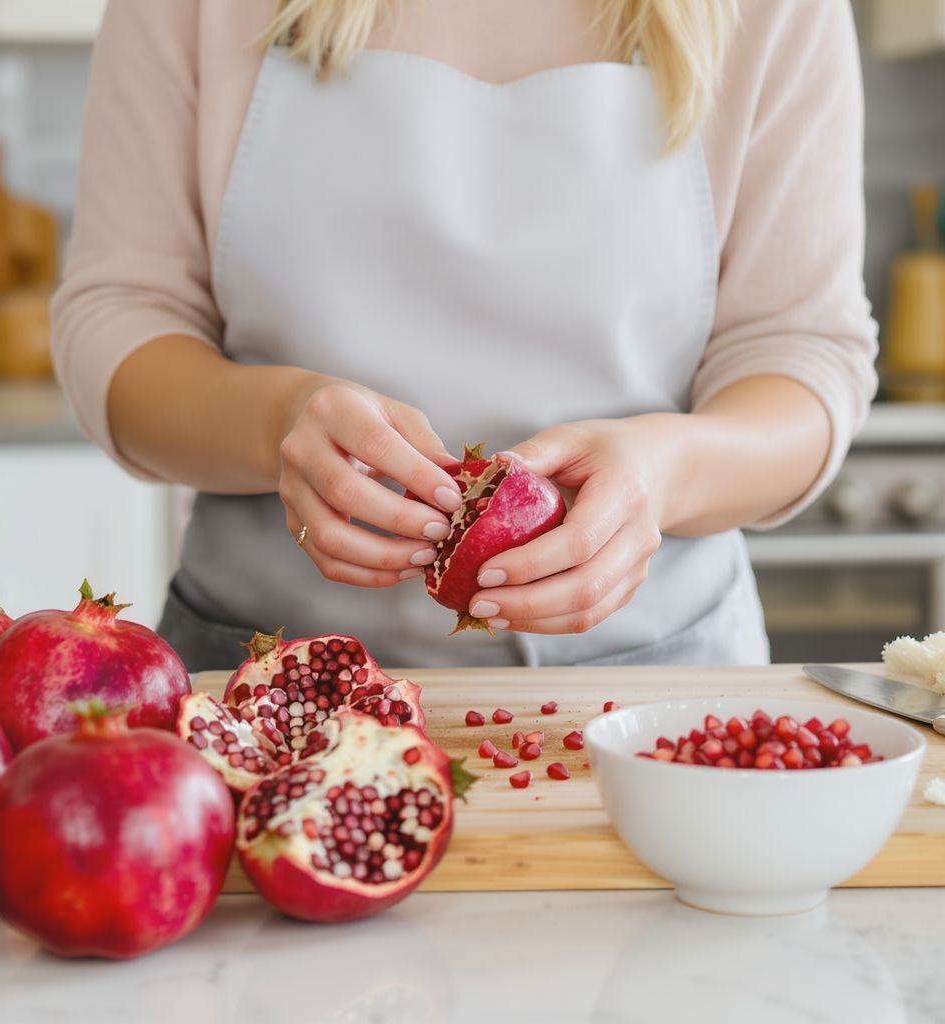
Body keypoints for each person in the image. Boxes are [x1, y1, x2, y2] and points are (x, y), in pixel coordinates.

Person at [52, 0, 877, 672]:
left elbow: (801, 356)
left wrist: (667, 472)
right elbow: (121, 316)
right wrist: (276, 419)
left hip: (656, 681)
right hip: (257, 660)